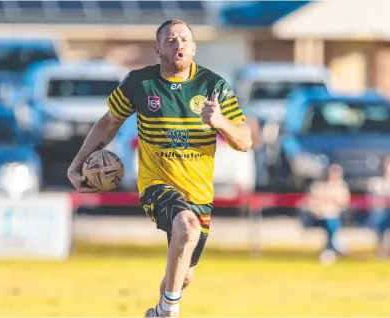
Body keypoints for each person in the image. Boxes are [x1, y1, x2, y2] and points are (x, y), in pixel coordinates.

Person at [67, 19, 252, 317]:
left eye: (184, 39)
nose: (178, 44)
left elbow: (245, 140)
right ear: (157, 49)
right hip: (157, 184)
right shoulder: (139, 83)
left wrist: (220, 122)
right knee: (187, 228)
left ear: (194, 47)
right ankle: (169, 311)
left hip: (200, 194)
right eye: (170, 40)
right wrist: (76, 166)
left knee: (183, 274)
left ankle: (159, 309)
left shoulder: (213, 85)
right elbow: (109, 122)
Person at [299, 163, 350, 264]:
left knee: (331, 222)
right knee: (330, 222)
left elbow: (343, 202)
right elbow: (312, 201)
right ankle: (335, 244)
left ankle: (331, 247)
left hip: (334, 216)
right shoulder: (319, 186)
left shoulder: (342, 187)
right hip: (318, 216)